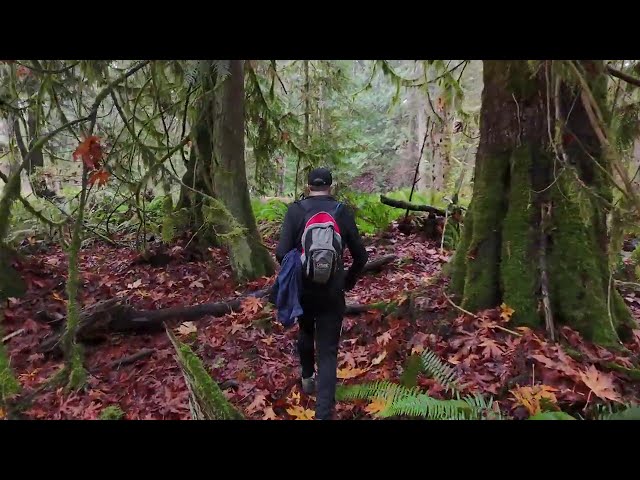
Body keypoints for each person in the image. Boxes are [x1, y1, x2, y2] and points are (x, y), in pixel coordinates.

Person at [275, 167, 368, 420]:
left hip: (304, 290)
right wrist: (348, 280)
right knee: (328, 351)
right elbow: (361, 256)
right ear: (331, 185)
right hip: (332, 292)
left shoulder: (295, 211)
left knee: (305, 330)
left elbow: (281, 253)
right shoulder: (341, 211)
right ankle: (323, 414)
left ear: (308, 186)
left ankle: (307, 377)